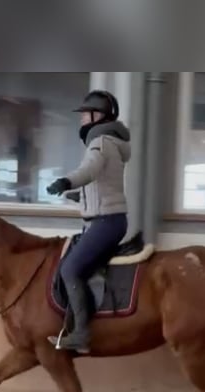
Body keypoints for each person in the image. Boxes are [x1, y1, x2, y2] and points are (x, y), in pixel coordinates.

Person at [45, 90, 131, 353]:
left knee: (70, 270)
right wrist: (77, 194)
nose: (82, 119)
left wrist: (65, 181)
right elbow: (102, 183)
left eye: (85, 114)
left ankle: (81, 334)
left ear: (98, 116)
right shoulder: (109, 142)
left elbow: (89, 171)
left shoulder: (101, 142)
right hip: (107, 219)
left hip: (105, 222)